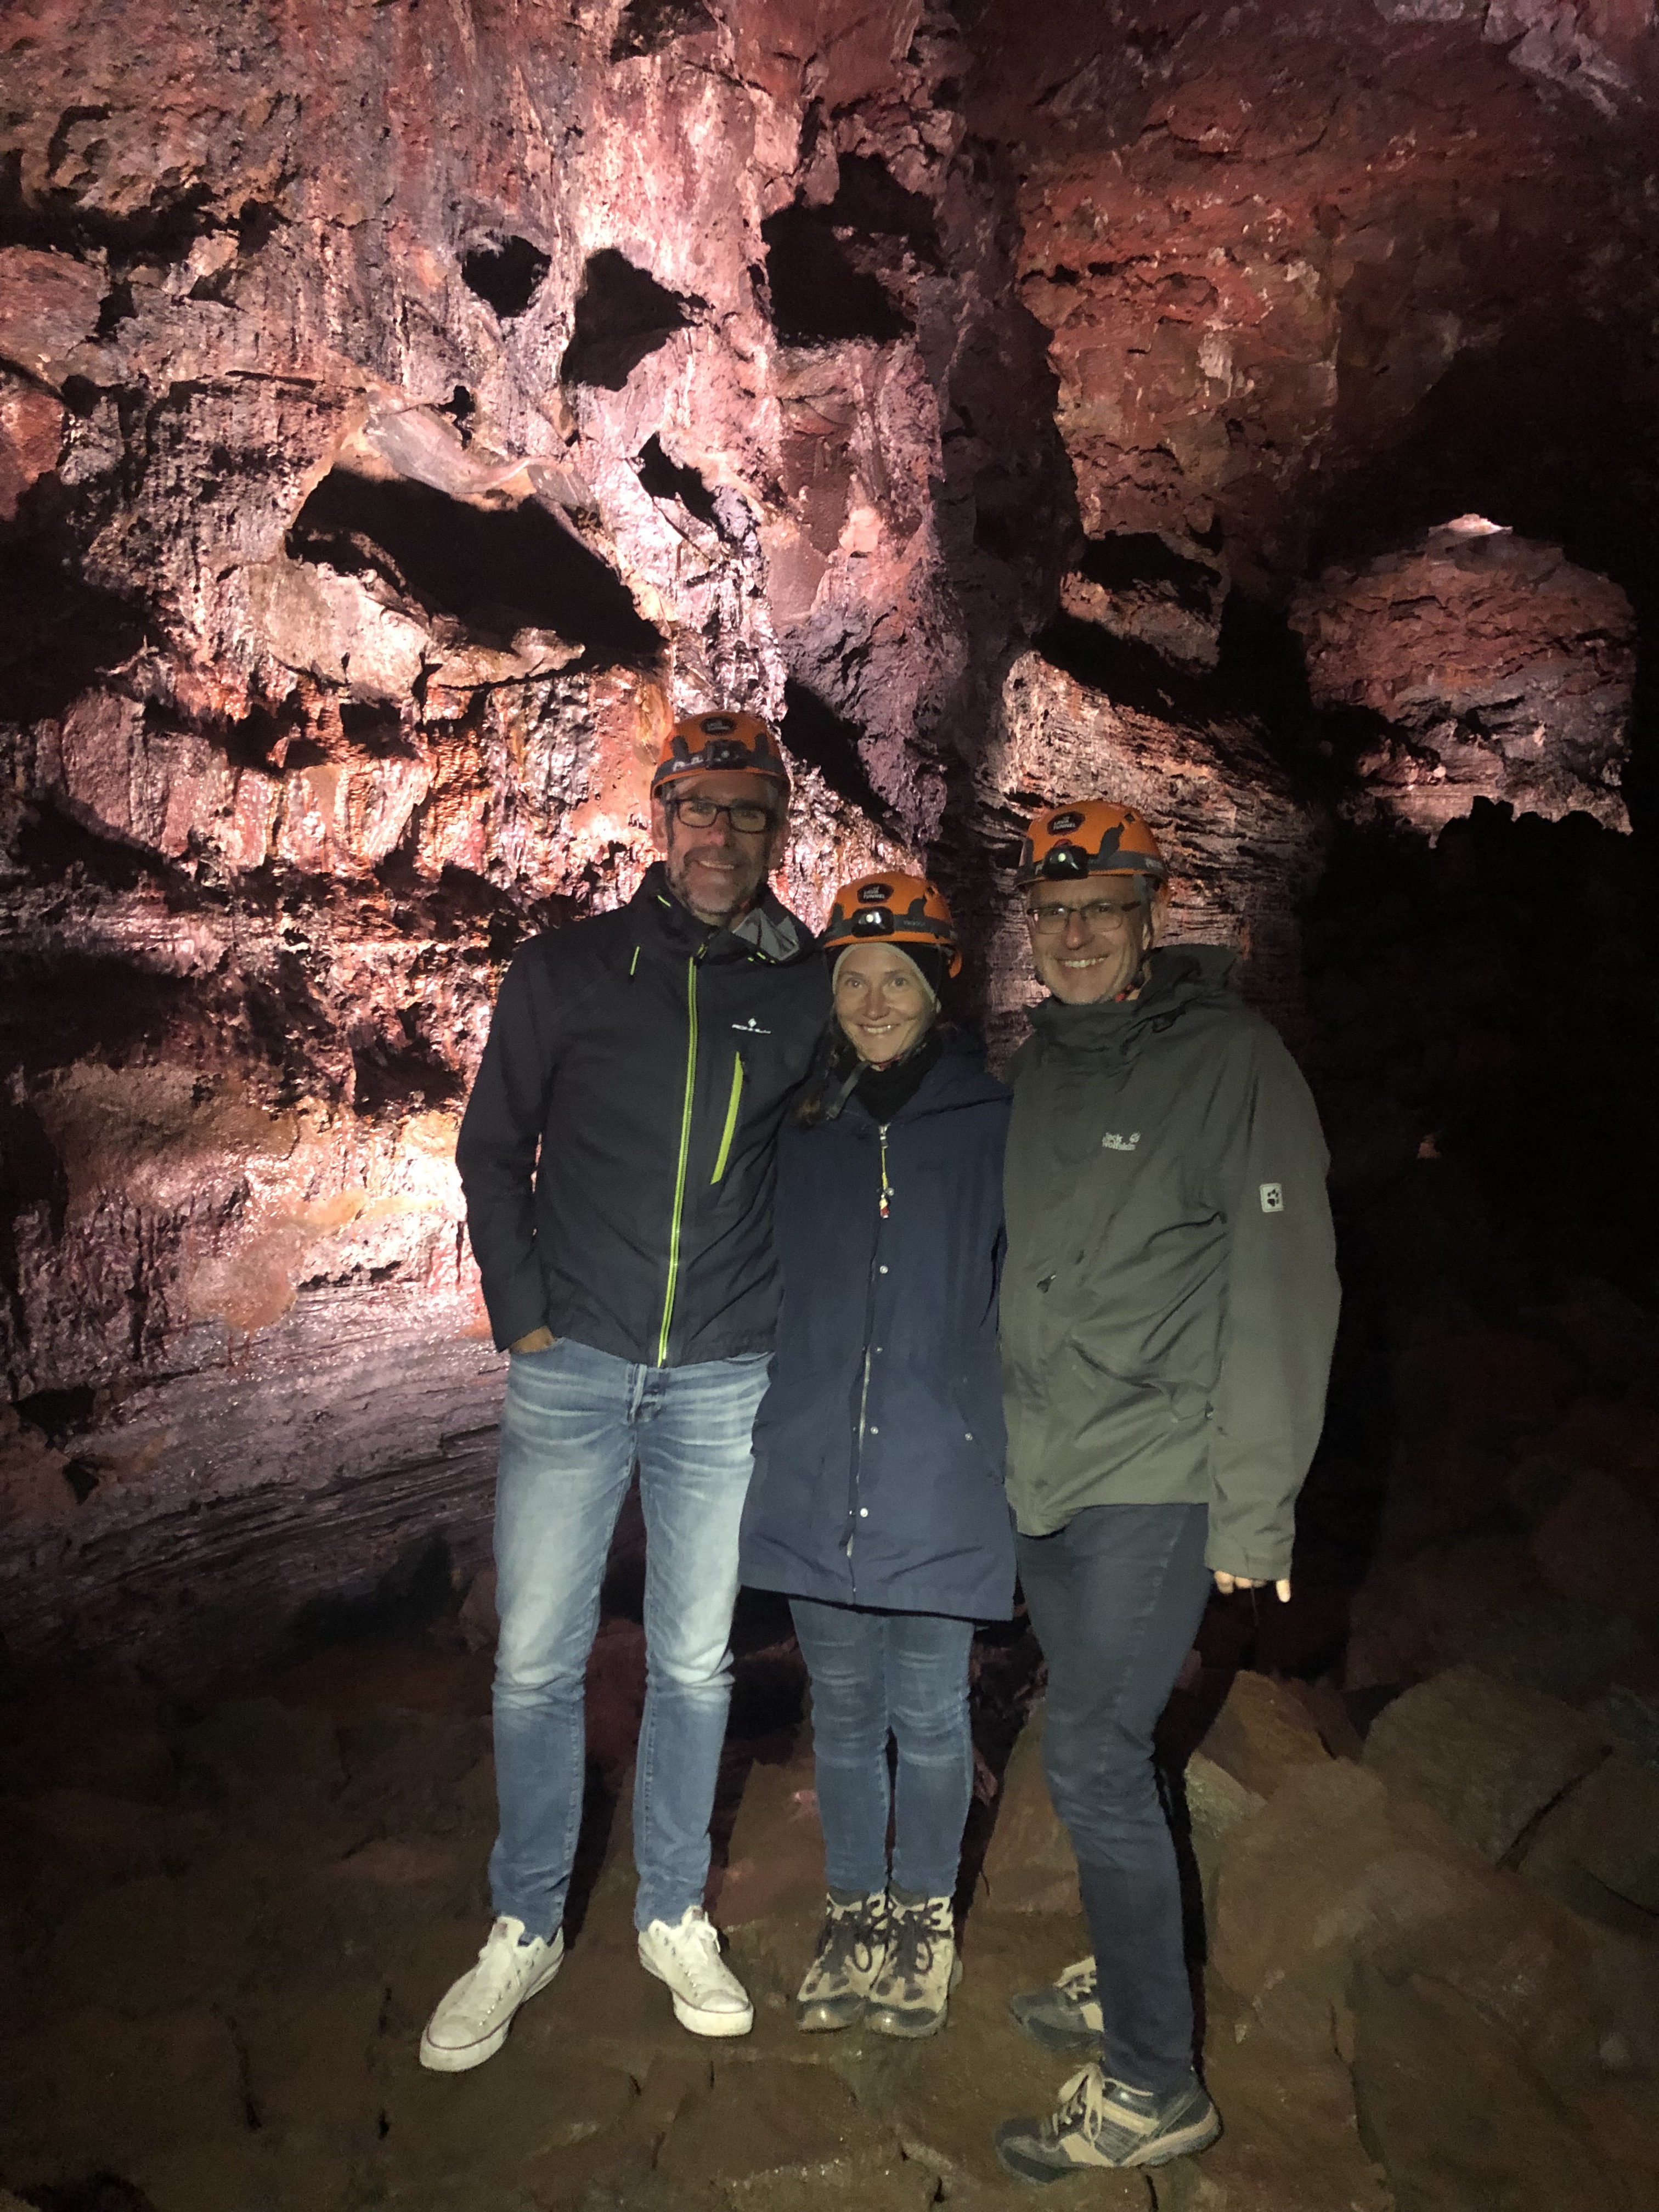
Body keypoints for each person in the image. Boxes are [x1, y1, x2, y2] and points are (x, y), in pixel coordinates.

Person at [420, 709, 827, 2072]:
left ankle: (669, 1911)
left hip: (723, 1371)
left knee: (696, 1659)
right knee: (537, 1657)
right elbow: (493, 1147)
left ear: (776, 833)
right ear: (661, 822)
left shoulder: (805, 991)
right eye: (701, 808)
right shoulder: (572, 969)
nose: (723, 835)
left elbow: (847, 1141)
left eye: (750, 813)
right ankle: (526, 1920)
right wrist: (524, 1315)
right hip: (575, 1362)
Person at [990, 802, 1340, 2179]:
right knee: (1108, 1750)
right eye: (1054, 913)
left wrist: (1256, 1510)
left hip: (1161, 1469)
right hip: (1051, 1473)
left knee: (1088, 1752)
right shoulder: (1042, 1064)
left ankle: (1153, 2084)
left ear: (1152, 917)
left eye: (1103, 909)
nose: (1075, 934)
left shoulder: (1233, 1061)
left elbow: (1286, 1289)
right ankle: (1136, 1962)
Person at [738, 872, 1015, 2040]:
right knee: (844, 1714)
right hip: (813, 1465)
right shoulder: (802, 1128)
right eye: (852, 979)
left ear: (937, 988)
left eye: (896, 978)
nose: (872, 1001)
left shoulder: (994, 1122)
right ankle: (854, 1911)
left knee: (933, 1714)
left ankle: (923, 1920)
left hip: (941, 1469)